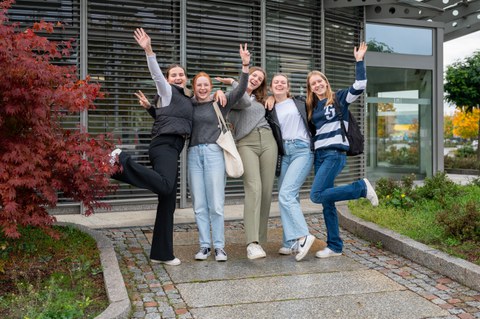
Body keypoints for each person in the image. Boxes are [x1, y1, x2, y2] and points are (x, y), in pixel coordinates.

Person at [110, 28, 193, 266]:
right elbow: (157, 75)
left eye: (181, 74)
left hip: (173, 148)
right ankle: (122, 160)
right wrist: (149, 50)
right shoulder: (167, 91)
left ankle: (162, 253)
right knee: (166, 187)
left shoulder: (186, 99)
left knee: (167, 200)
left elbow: (168, 117)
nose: (178, 77)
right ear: (169, 79)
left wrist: (150, 109)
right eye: (174, 75)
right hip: (163, 145)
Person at [306, 42, 379, 258]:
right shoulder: (313, 107)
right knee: (327, 202)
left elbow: (360, 84)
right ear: (310, 88)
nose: (317, 85)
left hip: (334, 154)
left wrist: (359, 61)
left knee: (316, 195)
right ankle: (335, 246)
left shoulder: (339, 98)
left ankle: (360, 189)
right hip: (320, 156)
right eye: (313, 84)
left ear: (325, 82)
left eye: (319, 81)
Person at [188, 44, 251, 262]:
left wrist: (245, 65)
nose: (203, 88)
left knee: (215, 203)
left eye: (206, 85)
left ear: (211, 86)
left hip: (215, 152)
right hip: (194, 154)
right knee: (199, 204)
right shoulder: (189, 105)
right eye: (199, 85)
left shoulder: (220, 102)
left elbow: (241, 91)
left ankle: (220, 247)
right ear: (194, 87)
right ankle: (204, 246)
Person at [215, 66, 278, 260]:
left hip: (268, 140)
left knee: (267, 192)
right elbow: (241, 101)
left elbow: (285, 95)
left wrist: (272, 97)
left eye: (259, 78)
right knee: (254, 188)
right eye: (253, 75)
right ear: (246, 76)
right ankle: (252, 243)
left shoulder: (262, 99)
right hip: (245, 142)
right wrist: (231, 84)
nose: (256, 79)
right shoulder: (233, 95)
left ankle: (261, 240)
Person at [265, 74, 315, 262]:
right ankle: (290, 242)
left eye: (283, 82)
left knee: (286, 194)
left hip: (302, 150)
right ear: (271, 87)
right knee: (288, 196)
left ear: (288, 87)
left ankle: (303, 236)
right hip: (284, 153)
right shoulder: (269, 107)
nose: (279, 84)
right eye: (276, 82)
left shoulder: (300, 102)